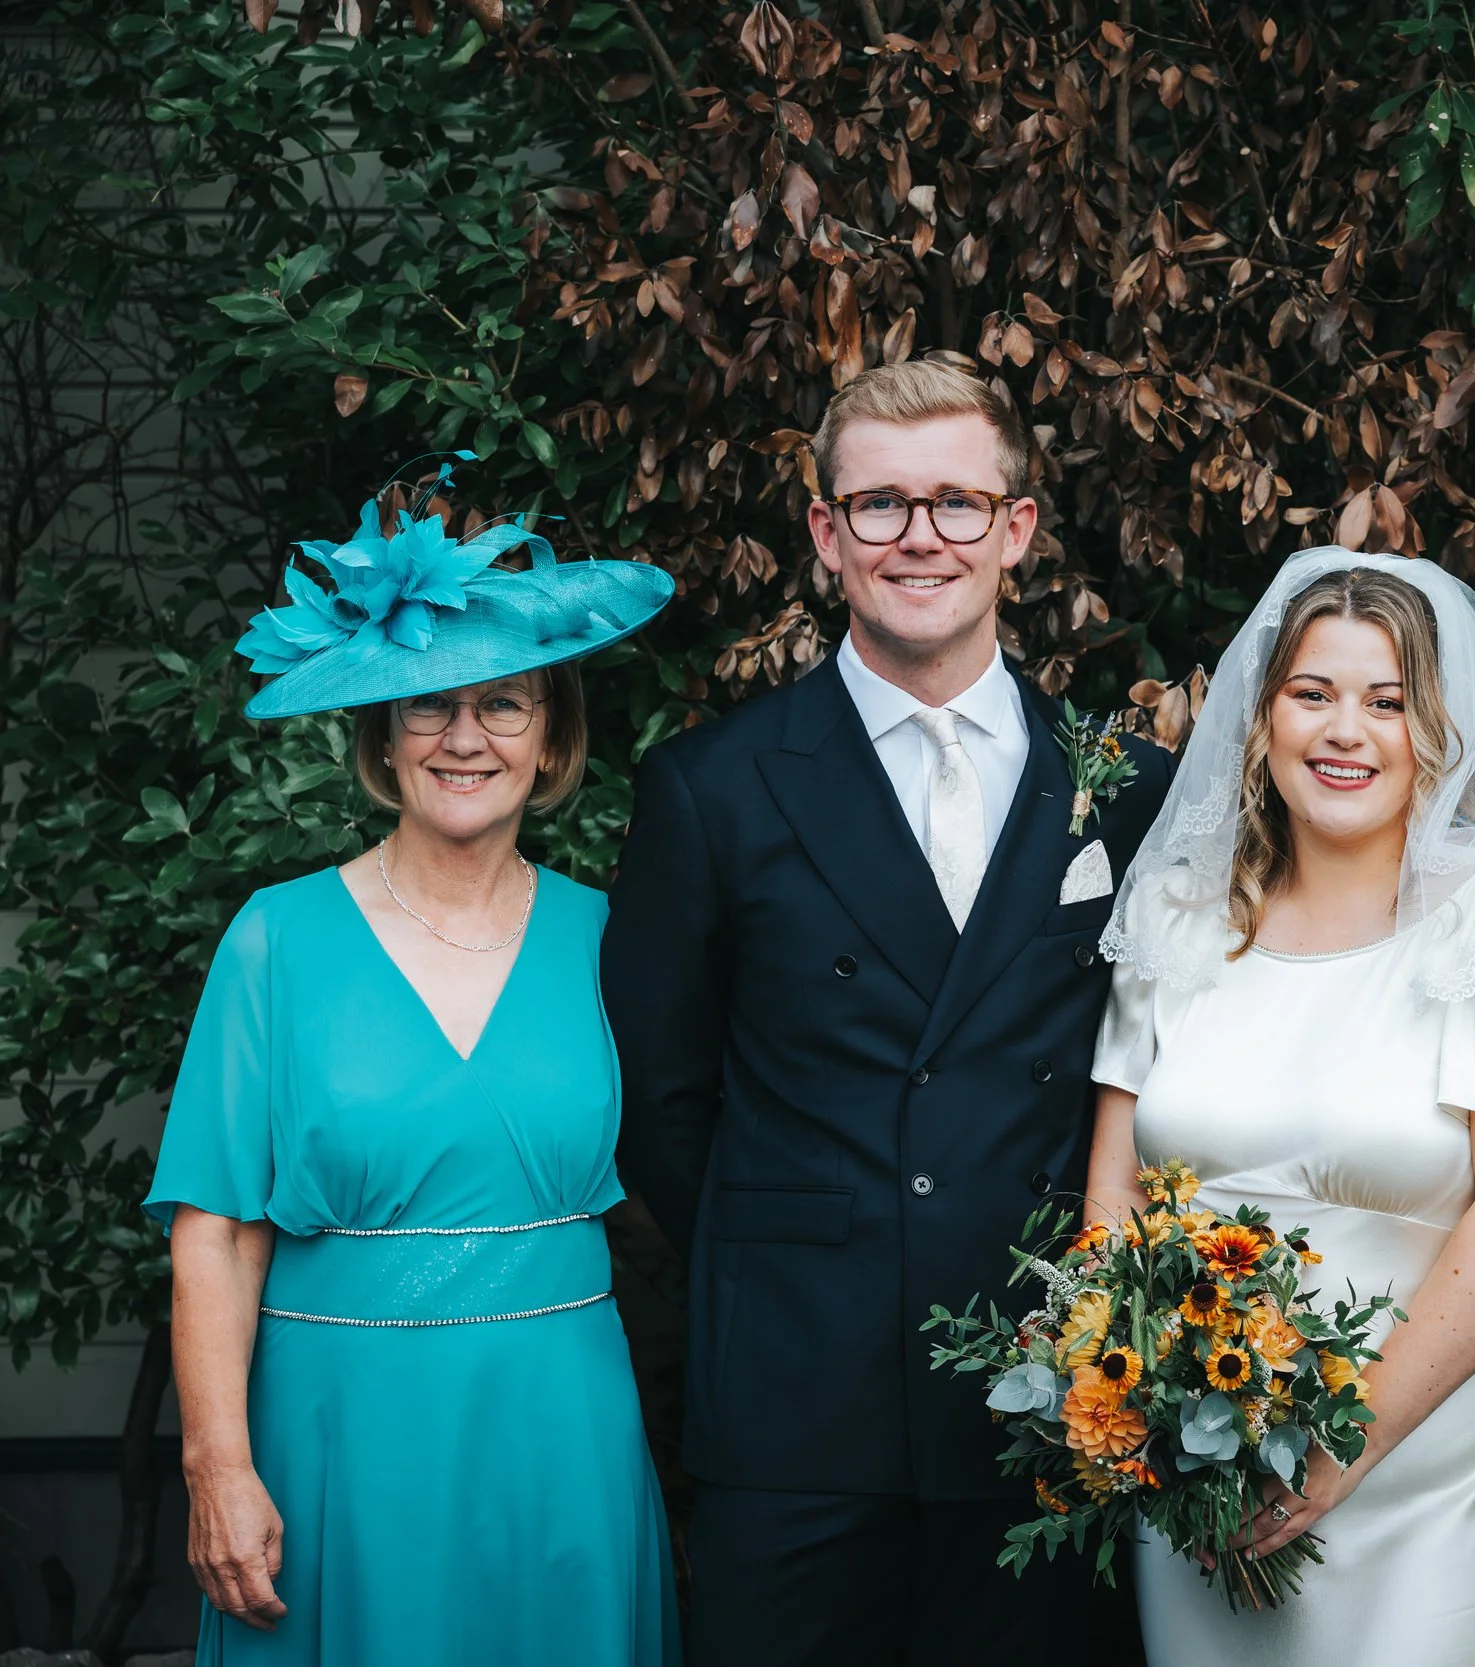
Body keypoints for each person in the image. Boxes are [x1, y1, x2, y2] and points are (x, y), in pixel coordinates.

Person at [602, 360, 1174, 1667]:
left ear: (1016, 530)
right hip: (800, 1397)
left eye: (959, 503)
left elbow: (1147, 1072)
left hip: (1047, 1386)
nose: (921, 536)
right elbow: (662, 1096)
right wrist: (800, 1253)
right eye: (880, 505)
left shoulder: (1131, 787)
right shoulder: (712, 786)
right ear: (825, 534)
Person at [1087, 555, 1475, 1666]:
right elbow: (1114, 1188)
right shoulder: (1177, 910)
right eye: (1313, 693)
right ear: (1260, 720)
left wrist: (1331, 1451)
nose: (1346, 730)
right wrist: (1120, 1393)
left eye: (1388, 701)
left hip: (1442, 1473)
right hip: (1205, 1466)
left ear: (1438, 729)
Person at [146, 485, 681, 1666]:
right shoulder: (276, 939)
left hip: (560, 1421)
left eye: (503, 703)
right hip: (336, 1426)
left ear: (551, 737)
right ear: (382, 735)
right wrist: (217, 1464)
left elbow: (682, 1182)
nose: (465, 735)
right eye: (429, 705)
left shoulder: (613, 940)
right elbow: (215, 1229)